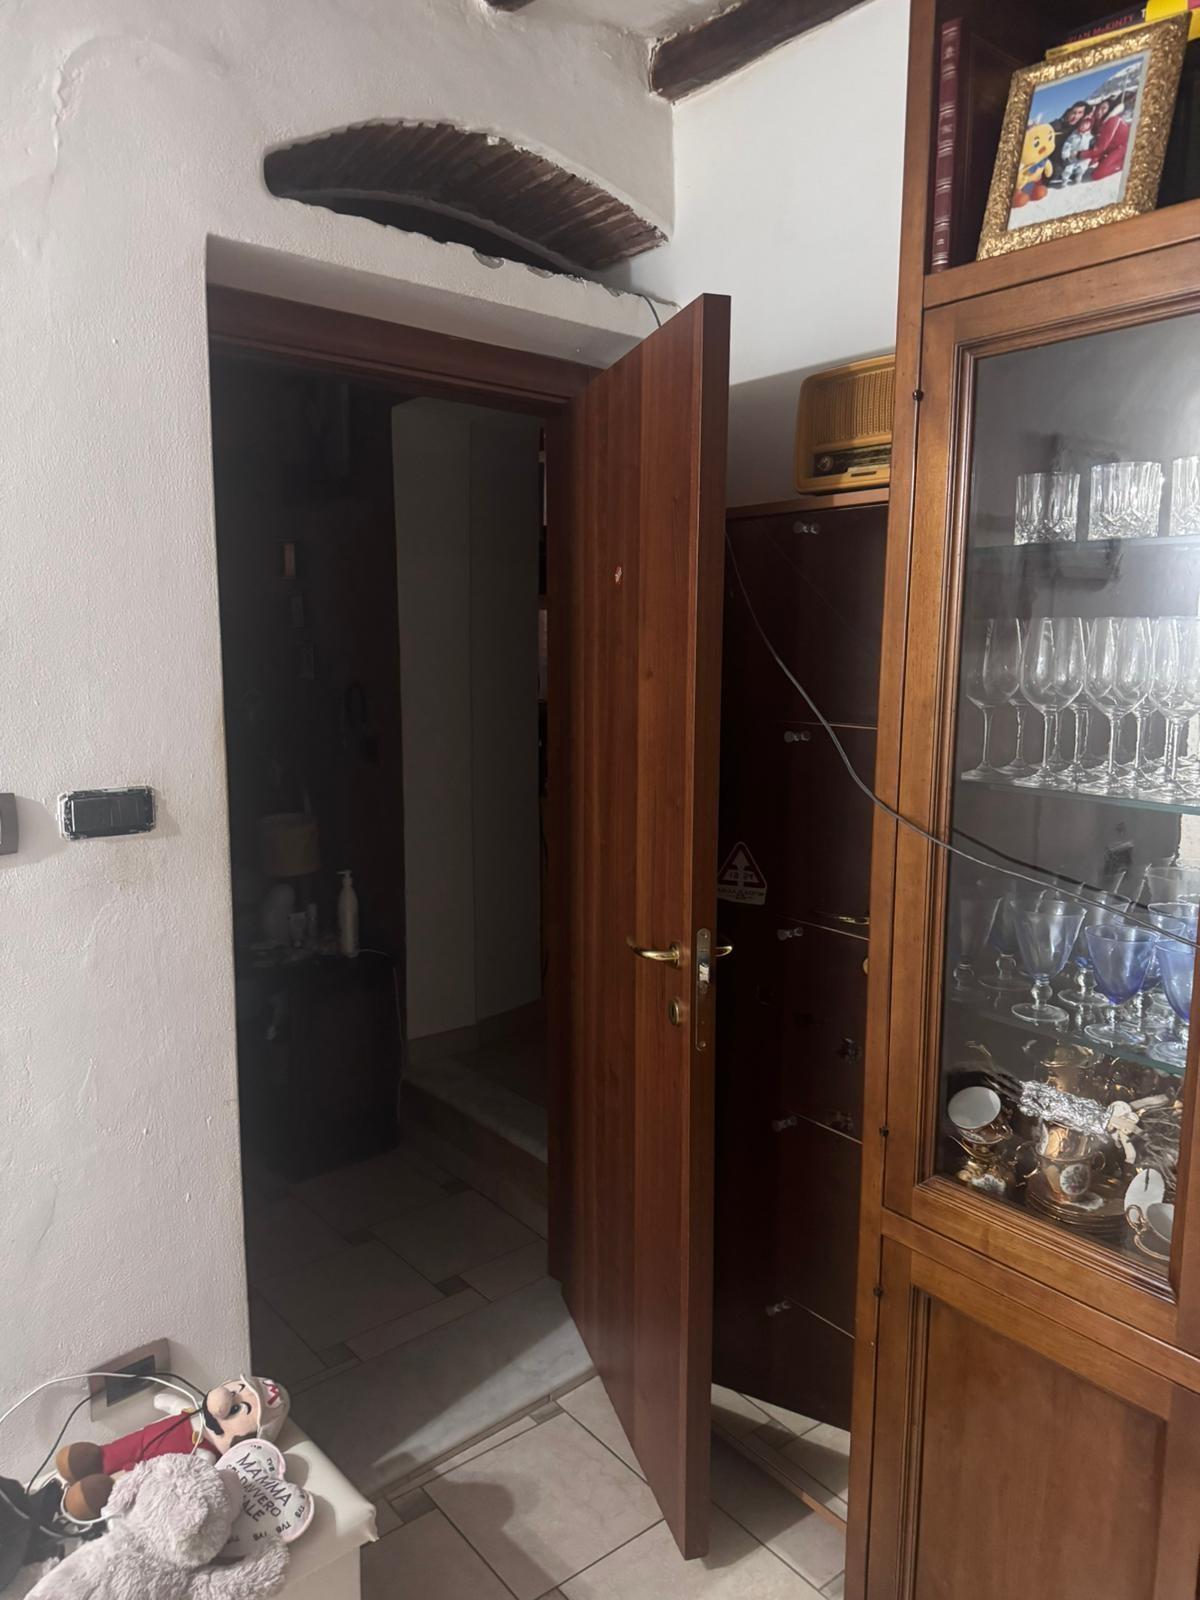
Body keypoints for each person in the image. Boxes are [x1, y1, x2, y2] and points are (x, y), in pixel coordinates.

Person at [1086, 93, 1133, 182]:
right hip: (1110, 148)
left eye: (1103, 108)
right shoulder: (1099, 122)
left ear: (1109, 109)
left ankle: (1123, 163)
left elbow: (1102, 147)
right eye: (1098, 108)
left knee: (1097, 174)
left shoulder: (1113, 120)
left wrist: (1082, 154)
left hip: (1122, 148)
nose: (1099, 111)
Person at [1049, 100, 1090, 184]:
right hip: (1050, 157)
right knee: (1054, 172)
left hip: (1066, 159)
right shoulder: (1057, 125)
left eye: (1080, 113)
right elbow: (1045, 129)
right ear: (1069, 113)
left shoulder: (1079, 128)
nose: (1076, 116)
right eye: (1074, 113)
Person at [1059, 112, 1096, 184]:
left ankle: (1078, 176)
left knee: (1081, 168)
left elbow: (1092, 150)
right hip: (1072, 156)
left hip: (1083, 159)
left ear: (1090, 126)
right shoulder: (1073, 135)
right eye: (1082, 123)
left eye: (1086, 124)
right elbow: (1067, 145)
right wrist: (1065, 155)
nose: (1083, 126)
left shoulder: (1090, 138)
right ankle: (1064, 180)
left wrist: (1087, 158)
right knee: (1068, 169)